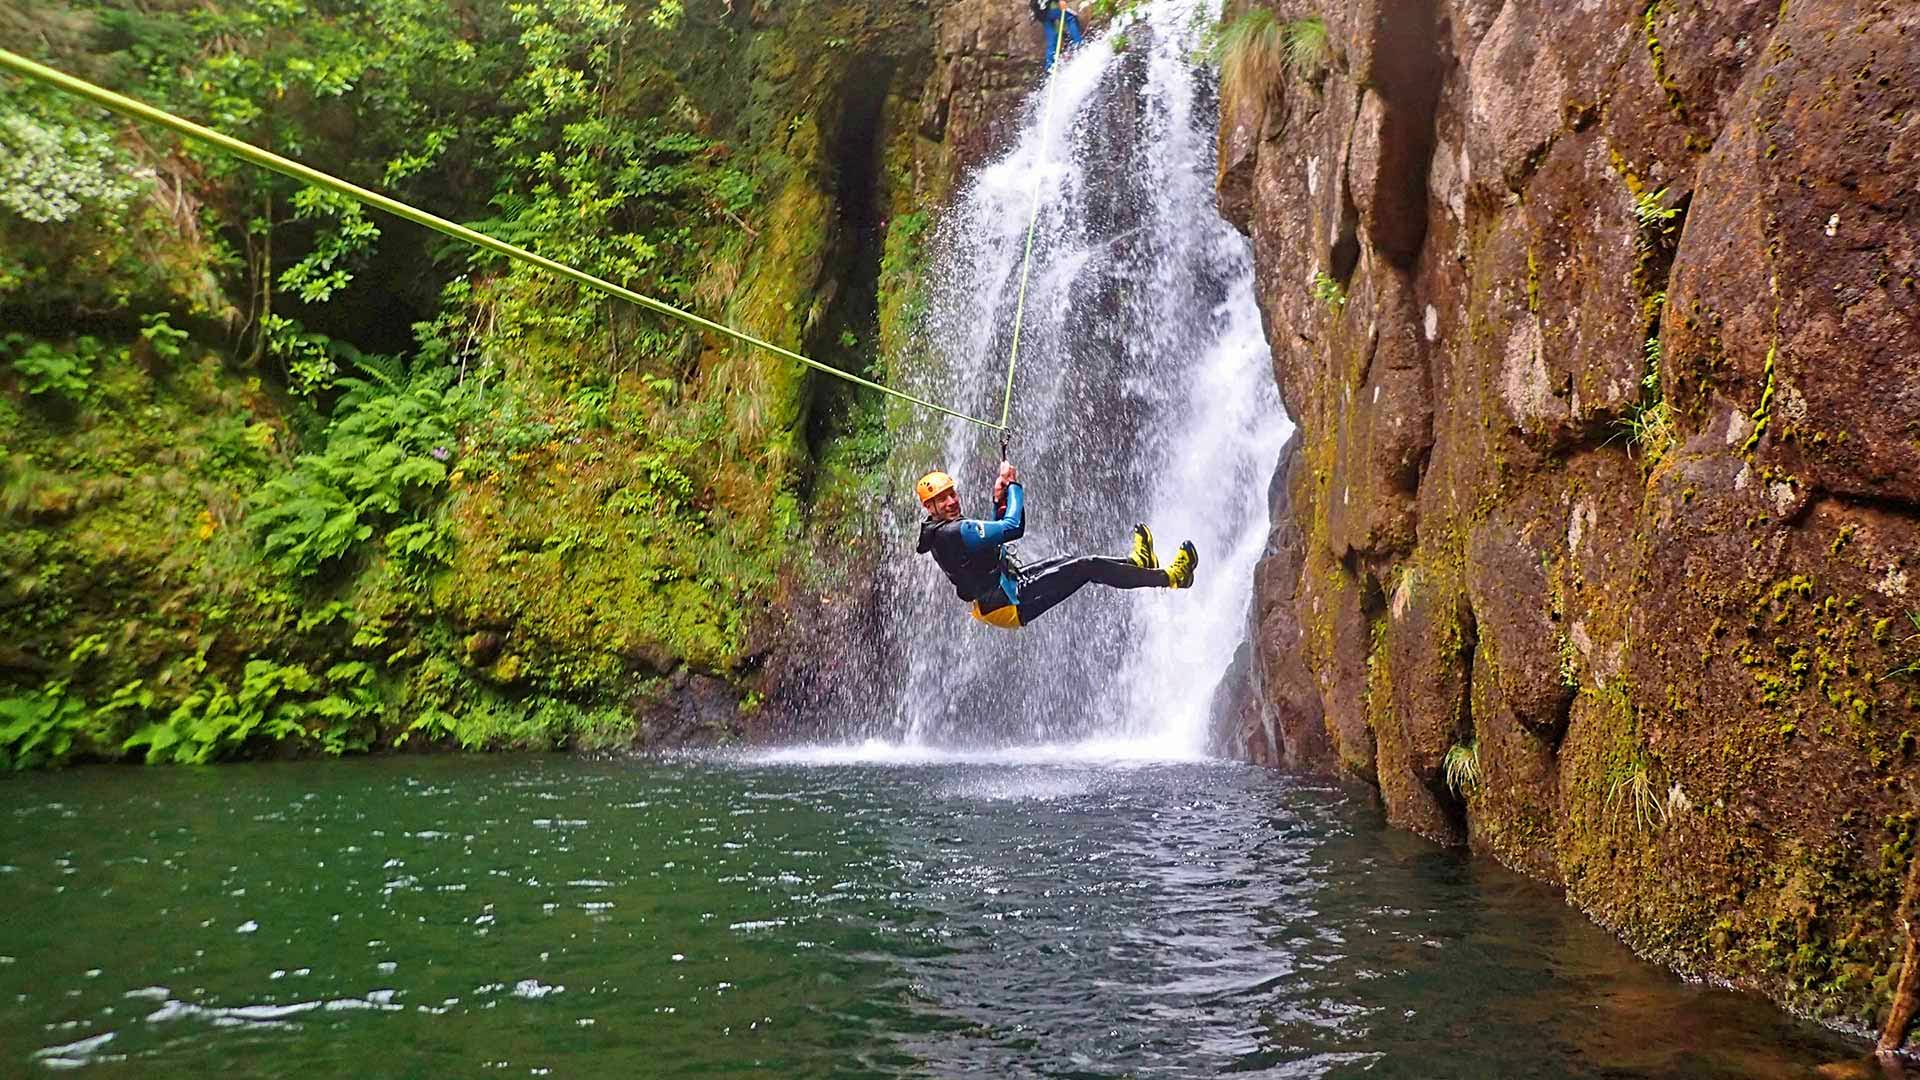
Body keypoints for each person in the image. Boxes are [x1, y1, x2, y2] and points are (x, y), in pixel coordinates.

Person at [914, 461, 1198, 629]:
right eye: (943, 499)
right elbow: (1013, 528)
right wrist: (1013, 486)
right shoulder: (951, 532)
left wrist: (998, 499)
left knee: (1073, 561)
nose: (951, 502)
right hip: (1008, 604)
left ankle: (1137, 565)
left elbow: (992, 543)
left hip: (1006, 587)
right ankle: (1173, 577)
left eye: (952, 494)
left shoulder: (942, 530)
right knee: (1087, 567)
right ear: (929, 506)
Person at [1027, 0, 1085, 71]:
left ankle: (1049, 66)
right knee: (1071, 18)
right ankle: (1079, 46)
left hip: (1041, 12)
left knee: (1051, 38)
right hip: (1048, 9)